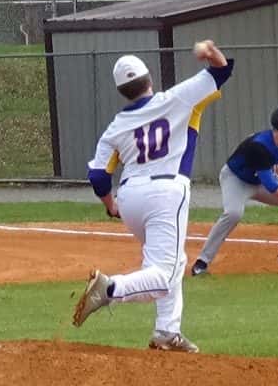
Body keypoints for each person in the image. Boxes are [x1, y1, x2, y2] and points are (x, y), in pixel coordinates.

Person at [72, 40, 234, 353]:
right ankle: (110, 288)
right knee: (163, 277)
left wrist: (111, 206)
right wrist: (210, 51)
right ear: (149, 79)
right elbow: (220, 71)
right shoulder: (177, 98)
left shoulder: (115, 127)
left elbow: (98, 177)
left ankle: (166, 333)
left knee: (173, 261)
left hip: (130, 197)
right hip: (166, 192)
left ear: (122, 91)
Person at [190, 105, 278, 277]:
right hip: (236, 179)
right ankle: (202, 262)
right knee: (233, 213)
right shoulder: (260, 146)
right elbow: (271, 186)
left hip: (261, 179)